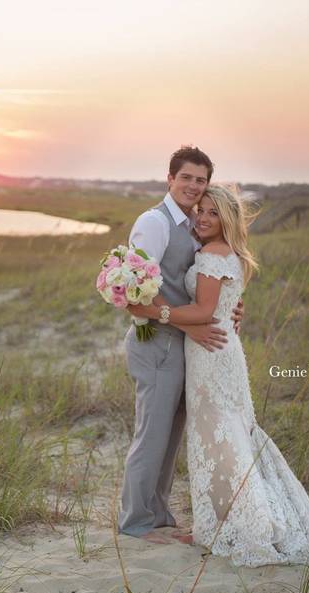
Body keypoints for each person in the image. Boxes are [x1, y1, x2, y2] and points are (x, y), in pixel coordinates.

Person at [128, 184, 309, 565]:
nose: (204, 218)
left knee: (218, 437)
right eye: (202, 211)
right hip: (218, 350)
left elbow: (206, 312)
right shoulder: (227, 253)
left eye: (213, 213)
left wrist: (152, 312)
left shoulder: (211, 254)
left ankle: (234, 523)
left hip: (210, 352)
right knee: (227, 434)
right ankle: (222, 520)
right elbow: (219, 307)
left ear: (227, 220)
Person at [118, 146, 242, 545]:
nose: (193, 186)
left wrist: (226, 311)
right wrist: (190, 324)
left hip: (186, 345)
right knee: (152, 434)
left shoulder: (194, 224)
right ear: (170, 178)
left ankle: (158, 513)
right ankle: (136, 522)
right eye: (186, 177)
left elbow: (203, 285)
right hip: (157, 343)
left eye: (201, 180)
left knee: (170, 438)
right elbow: (136, 294)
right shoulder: (154, 223)